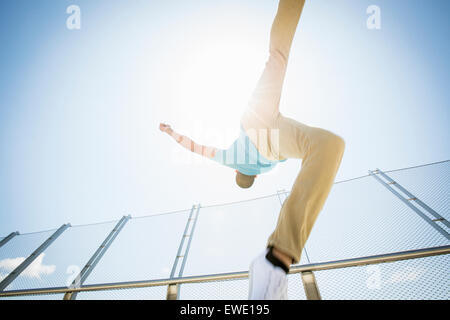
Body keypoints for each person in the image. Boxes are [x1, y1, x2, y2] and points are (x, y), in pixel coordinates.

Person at [160, 0, 345, 300]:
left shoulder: (266, 167)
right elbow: (198, 147)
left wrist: (174, 136)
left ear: (250, 176)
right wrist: (172, 133)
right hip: (262, 123)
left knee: (329, 145)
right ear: (238, 172)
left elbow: (197, 148)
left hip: (271, 137)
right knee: (277, 57)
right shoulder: (231, 158)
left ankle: (277, 259)